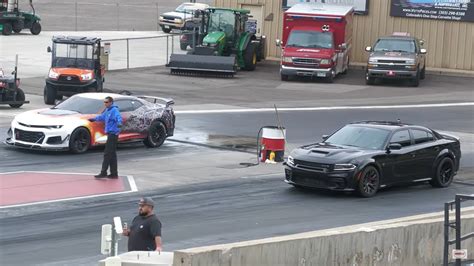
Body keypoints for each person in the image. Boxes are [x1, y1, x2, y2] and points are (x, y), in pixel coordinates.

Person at [89, 96, 122, 178]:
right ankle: (114, 173)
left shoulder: (114, 110)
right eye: (104, 102)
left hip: (113, 134)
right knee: (112, 154)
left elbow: (118, 118)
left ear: (111, 102)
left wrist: (119, 124)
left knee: (107, 153)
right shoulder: (107, 110)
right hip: (110, 134)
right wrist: (94, 119)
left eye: (106, 102)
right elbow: (102, 117)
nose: (105, 103)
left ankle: (103, 172)